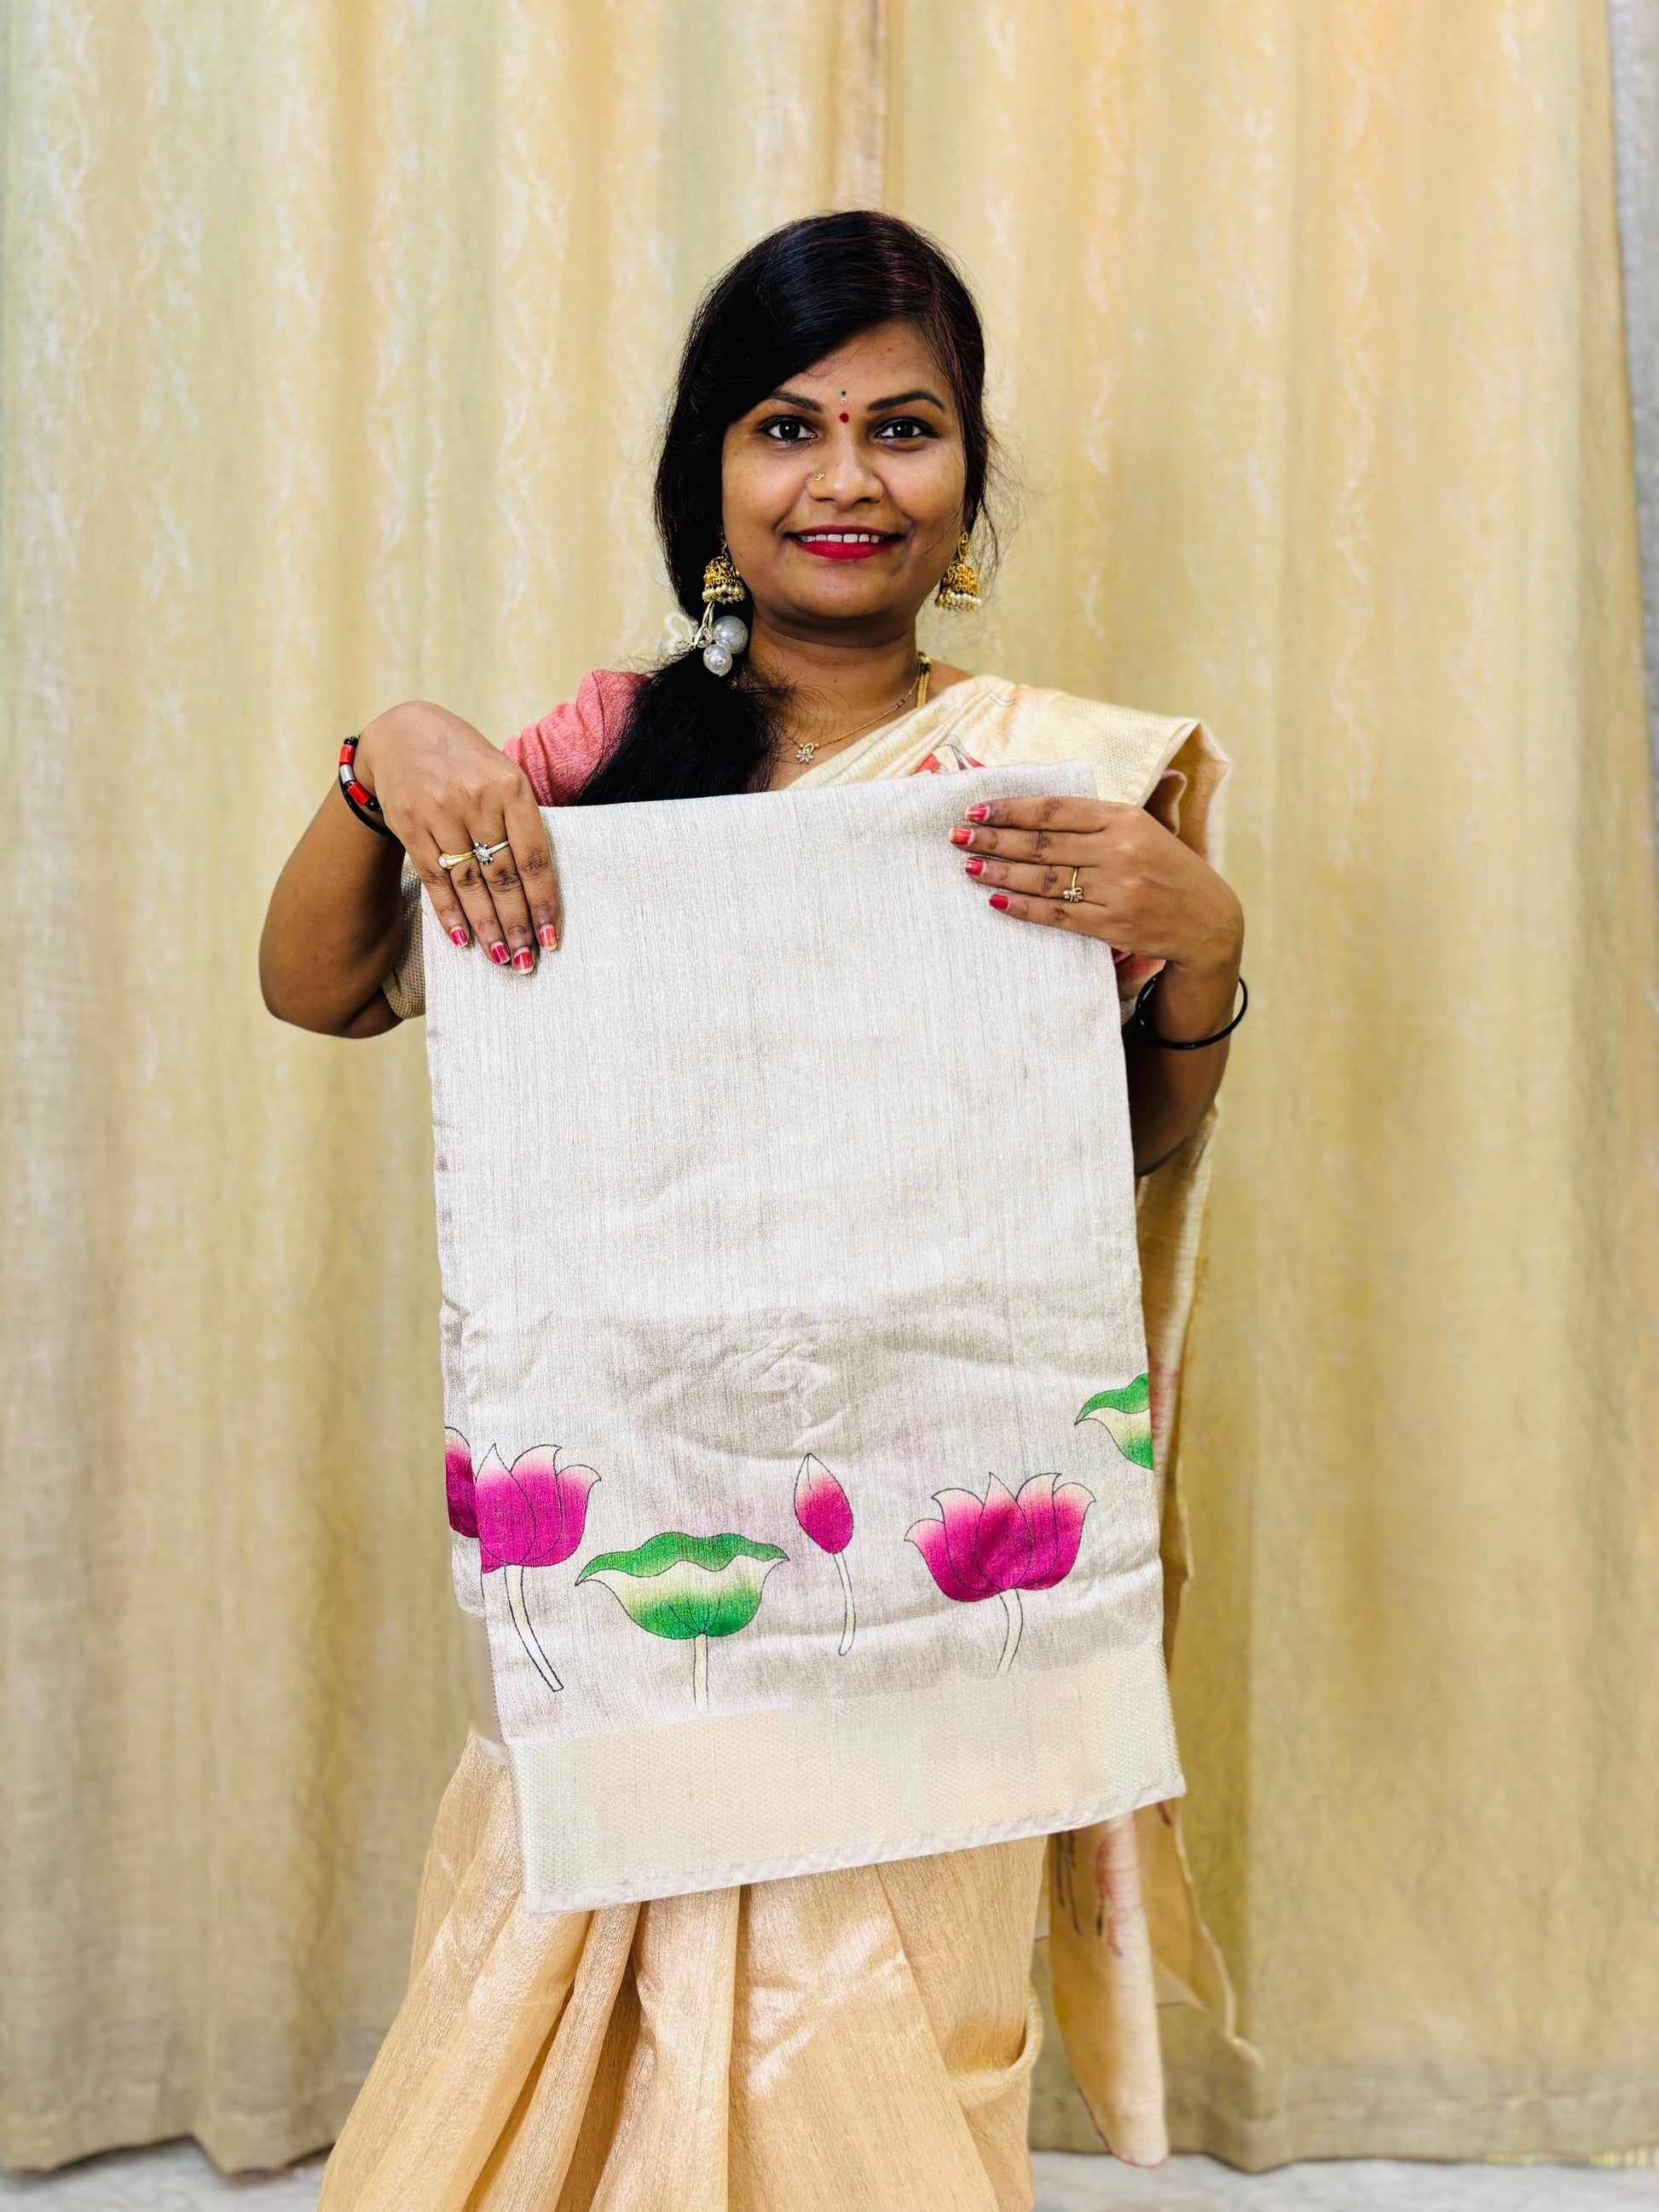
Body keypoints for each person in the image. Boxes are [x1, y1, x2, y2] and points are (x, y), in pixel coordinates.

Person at [262, 209, 1244, 2212]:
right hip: (655, 1512)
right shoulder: (597, 760)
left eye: (904, 427)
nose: (845, 478)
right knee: (574, 2008)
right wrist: (387, 760)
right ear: (710, 473)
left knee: (895, 2032)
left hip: (933, 1533)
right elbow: (319, 987)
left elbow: (1121, 1150)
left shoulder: (1052, 774)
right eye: (787, 427)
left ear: (966, 474)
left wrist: (1202, 944)